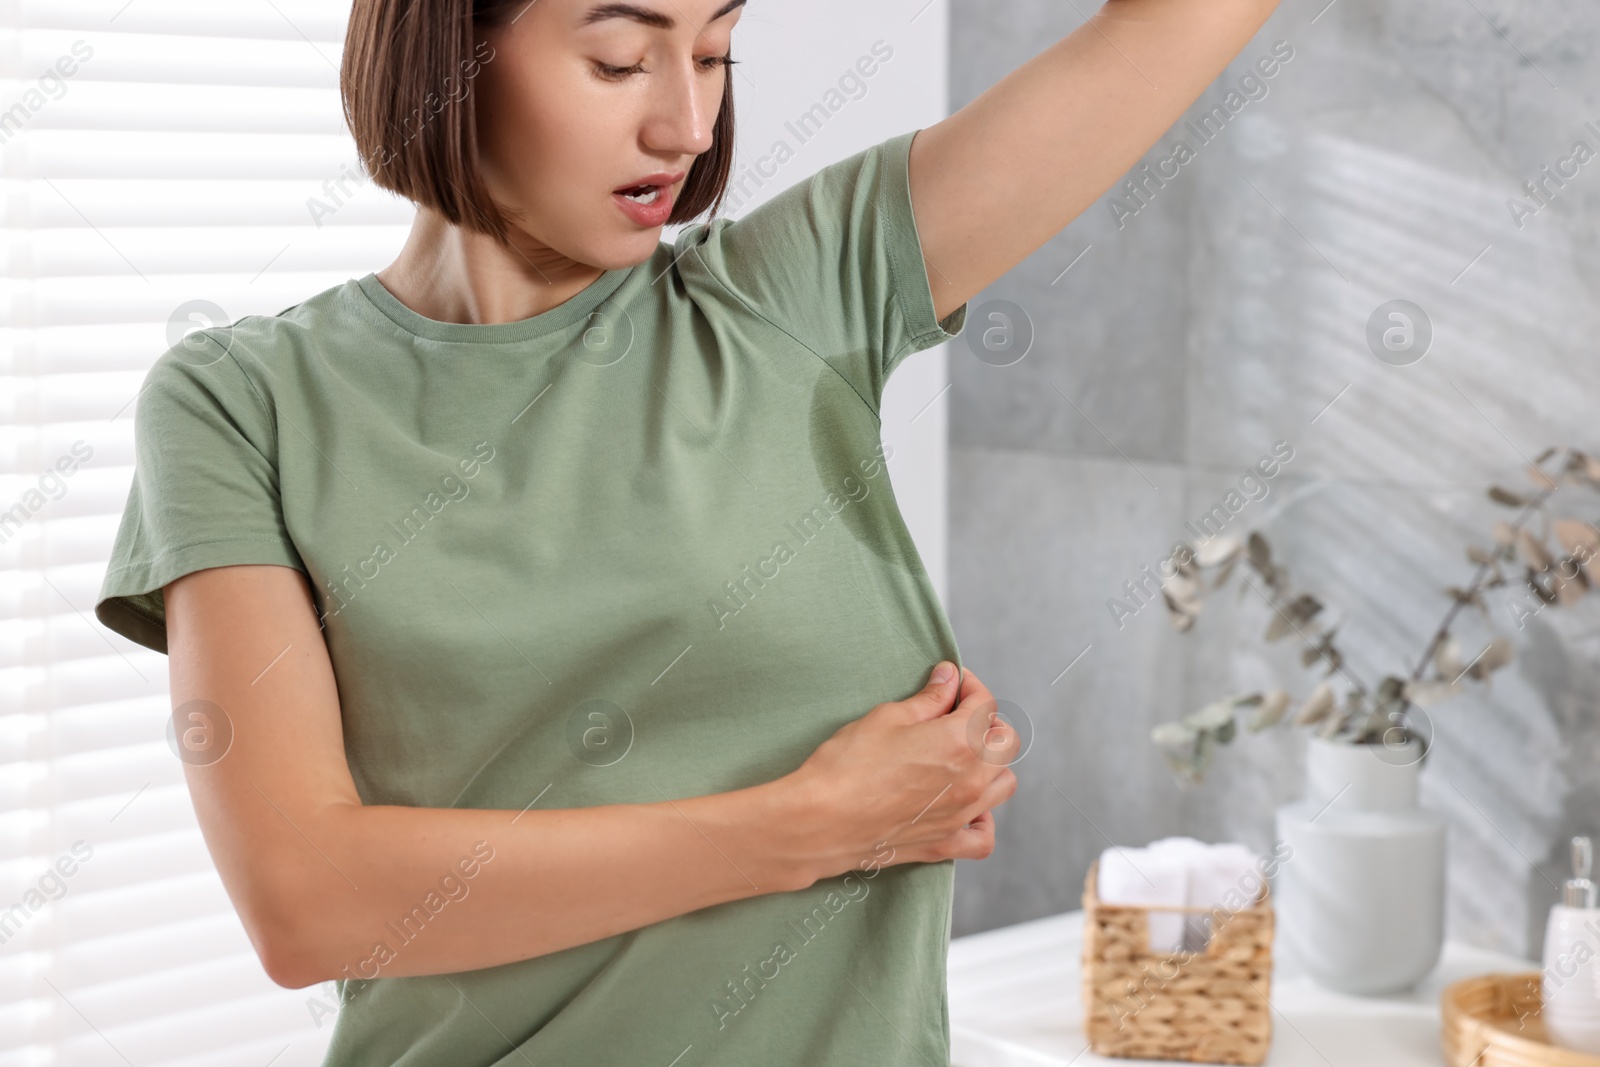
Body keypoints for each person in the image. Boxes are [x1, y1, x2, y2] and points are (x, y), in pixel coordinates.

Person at [93, 0, 1280, 1062]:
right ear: (449, 48)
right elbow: (308, 898)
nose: (687, 124)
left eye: (715, 51)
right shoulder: (239, 400)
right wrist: (808, 826)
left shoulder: (797, 296)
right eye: (618, 61)